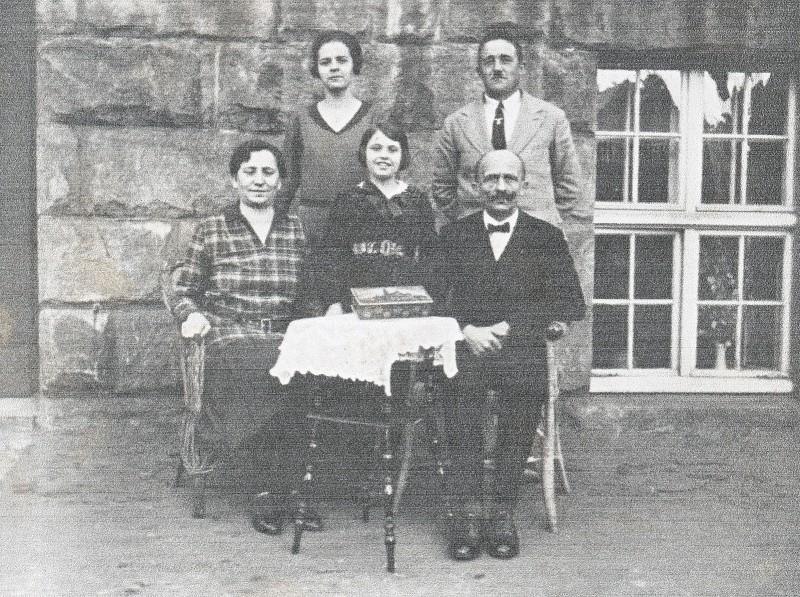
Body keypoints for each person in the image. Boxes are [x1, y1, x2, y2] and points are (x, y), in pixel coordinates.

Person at [165, 139, 321, 535]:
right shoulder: (213, 229)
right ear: (234, 179)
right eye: (250, 172)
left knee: (309, 368)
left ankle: (293, 490)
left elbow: (310, 290)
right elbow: (183, 288)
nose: (259, 180)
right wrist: (191, 316)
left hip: (283, 332)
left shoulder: (294, 227)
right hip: (230, 333)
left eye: (268, 173)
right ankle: (268, 492)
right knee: (264, 366)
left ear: (281, 181)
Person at [436, 149, 585, 561]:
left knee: (520, 413)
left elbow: (569, 301)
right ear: (477, 184)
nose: (500, 188)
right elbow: (431, 298)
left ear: (523, 184)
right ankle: (465, 512)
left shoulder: (545, 236)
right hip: (466, 349)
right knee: (460, 415)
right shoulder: (454, 235)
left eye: (509, 179)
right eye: (491, 179)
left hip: (520, 350)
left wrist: (511, 327)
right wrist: (466, 330)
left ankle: (502, 511)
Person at [431, 21, 589, 227]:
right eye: (489, 61)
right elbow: (443, 187)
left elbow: (570, 186)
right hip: (474, 242)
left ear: (521, 67)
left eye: (505, 60)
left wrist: (542, 224)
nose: (497, 68)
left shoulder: (552, 118)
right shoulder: (456, 123)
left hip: (533, 242)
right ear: (479, 70)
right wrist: (469, 223)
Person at [318, 122, 438, 315]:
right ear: (364, 153)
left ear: (403, 156)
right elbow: (331, 255)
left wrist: (426, 297)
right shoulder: (347, 200)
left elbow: (430, 255)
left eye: (392, 150)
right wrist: (333, 302)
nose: (384, 155)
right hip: (355, 298)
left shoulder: (416, 200)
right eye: (376, 148)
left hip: (404, 297)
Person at [283, 29, 377, 247]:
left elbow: (386, 178)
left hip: (361, 223)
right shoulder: (301, 119)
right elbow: (288, 181)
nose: (334, 67)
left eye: (342, 60)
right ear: (316, 68)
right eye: (325, 62)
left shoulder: (373, 118)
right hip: (312, 228)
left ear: (354, 64)